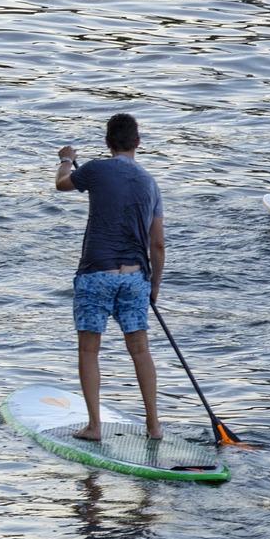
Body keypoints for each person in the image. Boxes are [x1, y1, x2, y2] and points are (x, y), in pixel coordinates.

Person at [53, 112, 165, 442]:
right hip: (135, 278)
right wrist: (154, 286)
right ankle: (154, 426)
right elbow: (157, 243)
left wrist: (66, 160)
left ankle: (94, 426)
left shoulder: (96, 169)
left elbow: (62, 184)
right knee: (140, 350)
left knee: (89, 350)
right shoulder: (149, 182)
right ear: (138, 143)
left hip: (95, 274)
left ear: (107, 143)